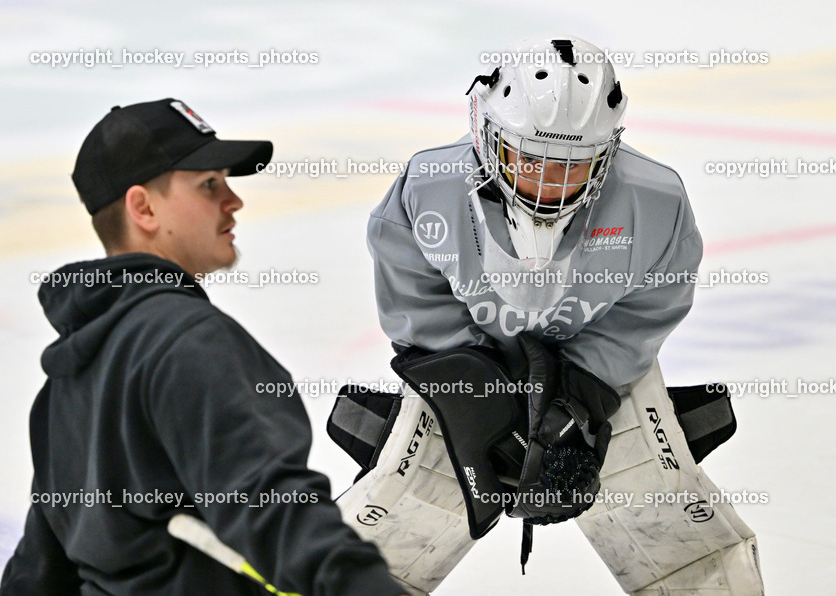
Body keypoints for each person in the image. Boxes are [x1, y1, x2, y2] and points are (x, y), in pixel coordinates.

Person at [331, 37, 764, 595]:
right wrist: (480, 398)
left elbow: (649, 304)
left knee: (685, 545)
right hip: (466, 370)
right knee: (394, 523)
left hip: (600, 382)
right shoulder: (429, 187)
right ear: (487, 134)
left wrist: (580, 400)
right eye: (531, 159)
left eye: (573, 166)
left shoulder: (656, 202)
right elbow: (415, 292)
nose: (550, 184)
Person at [0, 99, 407, 595]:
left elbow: (39, 569)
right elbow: (274, 508)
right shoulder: (187, 341)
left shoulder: (65, 381)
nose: (233, 201)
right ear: (143, 208)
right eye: (209, 185)